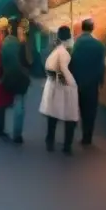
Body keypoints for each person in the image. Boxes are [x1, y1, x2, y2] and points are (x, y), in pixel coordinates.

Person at [40, 26, 80, 154]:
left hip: (53, 87)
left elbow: (48, 68)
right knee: (70, 116)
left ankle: (49, 141)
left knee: (53, 116)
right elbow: (63, 71)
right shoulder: (64, 52)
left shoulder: (53, 50)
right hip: (63, 89)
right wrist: (70, 84)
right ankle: (67, 146)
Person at [69, 17, 106, 147]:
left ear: (82, 28)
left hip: (77, 82)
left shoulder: (77, 44)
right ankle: (87, 137)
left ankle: (70, 136)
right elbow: (102, 65)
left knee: (74, 109)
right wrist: (101, 81)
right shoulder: (99, 45)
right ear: (92, 28)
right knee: (89, 111)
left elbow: (71, 62)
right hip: (92, 84)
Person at [0, 18, 33, 144]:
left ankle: (3, 127)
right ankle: (17, 134)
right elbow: (29, 61)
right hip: (21, 77)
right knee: (20, 103)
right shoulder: (21, 43)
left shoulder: (5, 43)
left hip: (9, 76)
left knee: (14, 101)